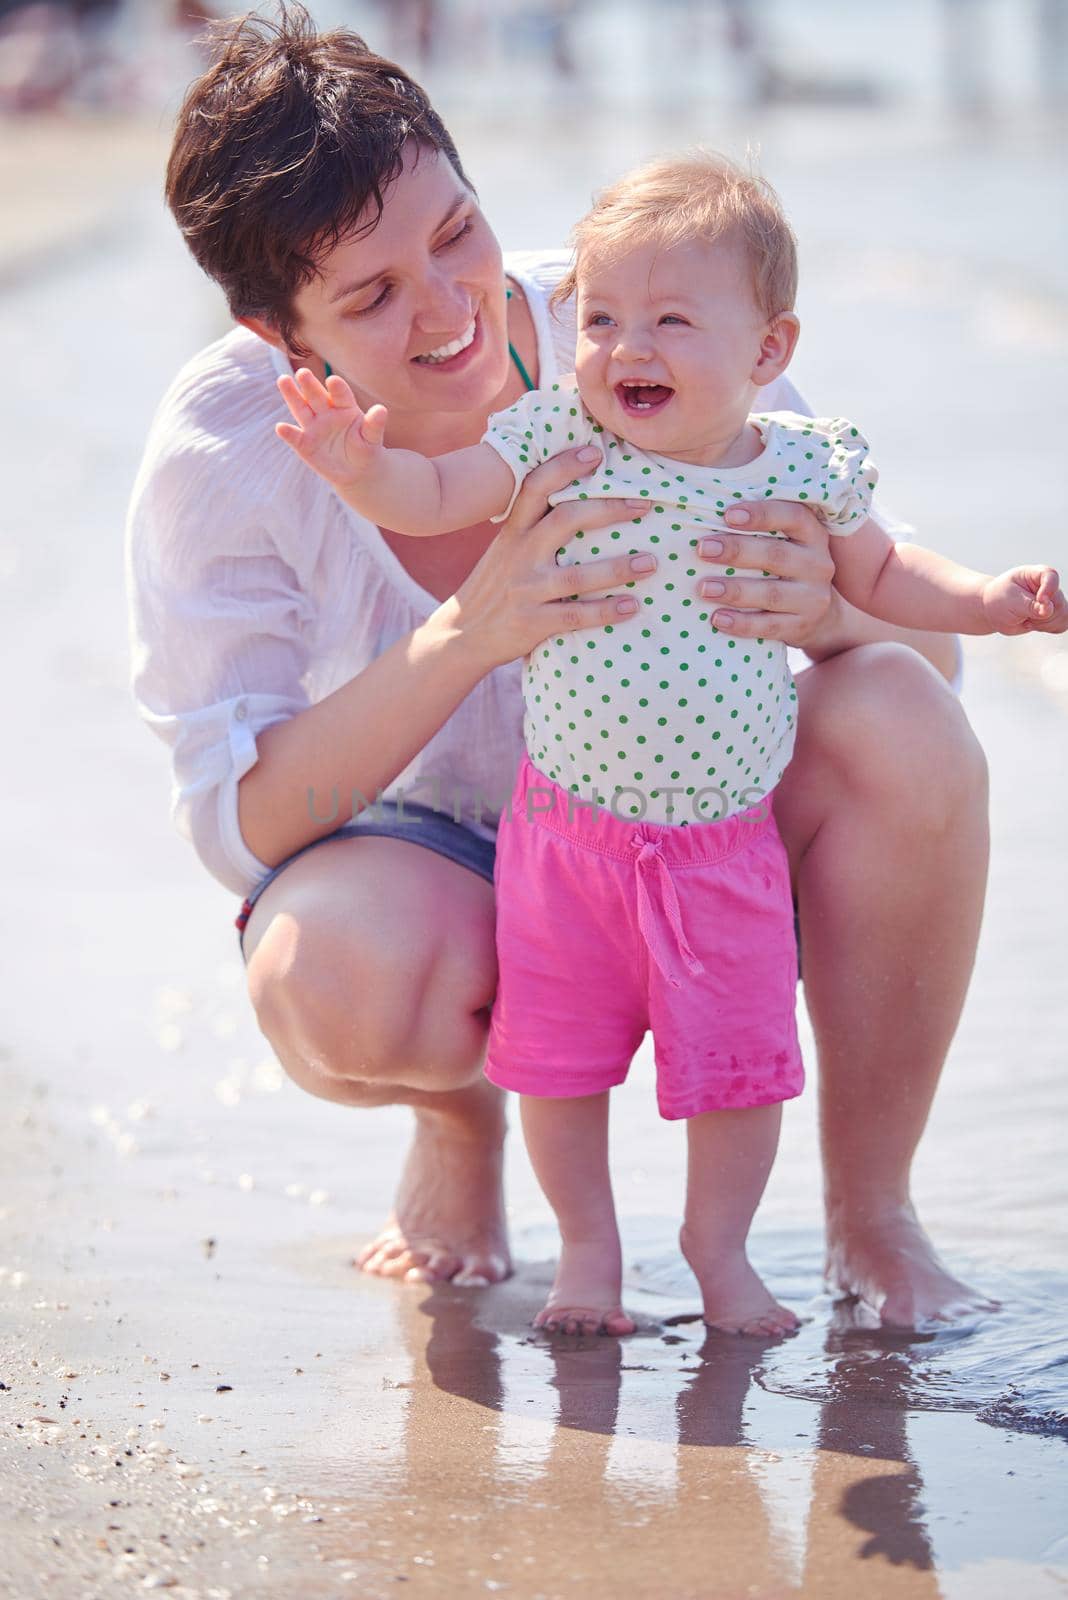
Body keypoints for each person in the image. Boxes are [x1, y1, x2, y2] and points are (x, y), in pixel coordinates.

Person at [128, 4, 1001, 1331]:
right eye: (368, 296)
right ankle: (460, 1126)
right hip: (452, 869)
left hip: (706, 836)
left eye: (456, 233)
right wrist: (467, 632)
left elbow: (927, 659)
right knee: (332, 976)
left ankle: (871, 1216)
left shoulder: (651, 325)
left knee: (902, 723)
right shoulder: (229, 452)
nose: (448, 312)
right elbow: (238, 828)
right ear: (274, 332)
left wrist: (823, 604)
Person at [270, 151, 1064, 1336]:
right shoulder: (552, 439)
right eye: (601, 319)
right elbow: (436, 492)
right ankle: (588, 1253)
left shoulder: (802, 464)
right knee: (558, 1064)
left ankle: (719, 1250)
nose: (627, 349)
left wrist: (993, 599)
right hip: (565, 846)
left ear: (768, 353)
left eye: (672, 321)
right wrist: (361, 467)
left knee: (737, 1069)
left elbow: (892, 574)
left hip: (724, 849)